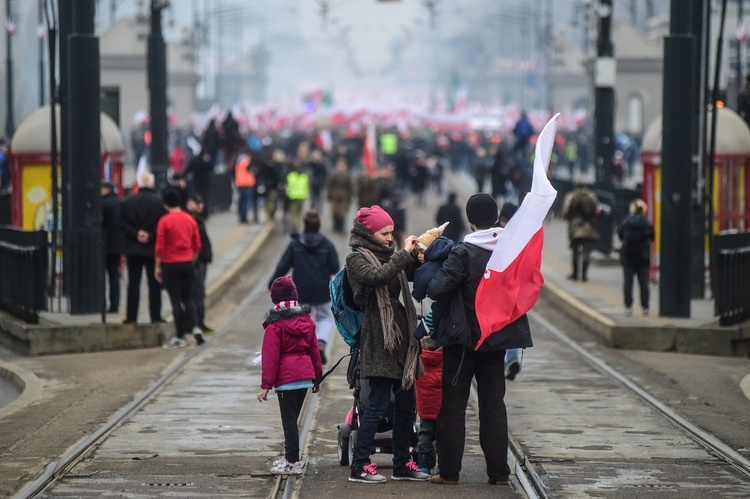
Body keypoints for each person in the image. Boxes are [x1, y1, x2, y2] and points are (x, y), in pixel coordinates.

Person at [426, 193, 533, 486]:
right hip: (496, 339)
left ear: (471, 222)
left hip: (463, 340)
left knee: (453, 406)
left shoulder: (463, 252)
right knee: (494, 405)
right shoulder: (508, 250)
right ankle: (498, 473)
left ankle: (448, 472)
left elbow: (437, 287)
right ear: (497, 218)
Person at [346, 205, 428, 483]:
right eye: (384, 233)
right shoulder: (356, 259)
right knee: (378, 403)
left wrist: (417, 256)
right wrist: (403, 255)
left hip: (400, 338)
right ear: (369, 233)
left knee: (407, 404)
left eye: (391, 233)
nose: (389, 238)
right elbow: (379, 276)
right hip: (378, 339)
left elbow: (402, 274)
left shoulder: (390, 256)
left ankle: (403, 462)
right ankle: (360, 465)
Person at [257, 276, 323, 476]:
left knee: (289, 423)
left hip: (286, 381)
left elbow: (270, 357)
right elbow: (314, 351)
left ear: (274, 298)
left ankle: (292, 462)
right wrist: (317, 378)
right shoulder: (307, 321)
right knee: (293, 421)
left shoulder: (274, 326)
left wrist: (266, 385)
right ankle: (291, 459)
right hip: (303, 378)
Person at [268, 210, 339, 365]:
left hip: (300, 289)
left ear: (304, 225)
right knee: (324, 317)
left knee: (298, 318)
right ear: (318, 225)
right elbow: (335, 267)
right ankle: (320, 342)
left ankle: (302, 347)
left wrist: (272, 282)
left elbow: (283, 265)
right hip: (321, 288)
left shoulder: (295, 244)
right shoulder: (327, 244)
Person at [156, 189, 203, 349]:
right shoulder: (189, 219)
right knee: (188, 298)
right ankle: (196, 326)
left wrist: (157, 267)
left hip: (171, 264)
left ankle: (180, 335)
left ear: (165, 204)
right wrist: (191, 259)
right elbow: (197, 244)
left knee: (176, 301)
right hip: (187, 263)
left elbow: (160, 247)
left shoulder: (165, 221)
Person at [121, 172, 166, 324]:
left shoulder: (128, 202)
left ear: (138, 185)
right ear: (152, 185)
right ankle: (156, 316)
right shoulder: (159, 203)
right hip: (153, 249)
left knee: (133, 282)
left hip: (133, 249)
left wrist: (136, 234)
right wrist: (150, 235)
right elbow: (162, 225)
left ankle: (131, 317)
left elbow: (122, 223)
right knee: (154, 283)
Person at [618, 199, 654, 316]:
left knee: (628, 282)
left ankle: (628, 307)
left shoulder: (626, 222)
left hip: (628, 256)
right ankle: (645, 307)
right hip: (643, 257)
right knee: (644, 283)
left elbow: (620, 235)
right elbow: (652, 237)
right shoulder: (647, 223)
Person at [499, 202, 522, 380]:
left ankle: (506, 363)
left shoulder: (494, 234)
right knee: (511, 325)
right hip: (513, 291)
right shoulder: (520, 235)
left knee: (500, 327)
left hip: (500, 291)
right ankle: (512, 359)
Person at [562, 179, 600, 282]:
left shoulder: (571, 196)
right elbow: (596, 210)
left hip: (575, 227)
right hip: (588, 227)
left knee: (575, 251)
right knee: (586, 252)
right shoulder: (592, 196)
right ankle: (584, 276)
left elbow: (565, 212)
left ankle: (575, 274)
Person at [415, 334, 442, 475]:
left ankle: (424, 465)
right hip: (442, 409)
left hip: (425, 408)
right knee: (443, 437)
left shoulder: (420, 361)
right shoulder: (444, 361)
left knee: (425, 435)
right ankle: (442, 466)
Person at [187, 194, 214, 333]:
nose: (200, 206)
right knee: (196, 293)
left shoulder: (197, 218)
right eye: (196, 203)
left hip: (201, 261)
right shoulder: (191, 220)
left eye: (200, 203)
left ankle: (199, 322)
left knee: (199, 293)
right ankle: (196, 323)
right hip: (196, 263)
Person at [101, 181, 123, 313]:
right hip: (117, 246)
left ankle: (101, 304)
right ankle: (115, 304)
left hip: (103, 245)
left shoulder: (102, 204)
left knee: (101, 276)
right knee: (114, 276)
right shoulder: (120, 203)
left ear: (106, 189)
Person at [325, 158, 353, 234]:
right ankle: (335, 226)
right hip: (335, 197)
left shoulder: (347, 176)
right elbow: (330, 186)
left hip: (344, 197)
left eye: (342, 166)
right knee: (334, 213)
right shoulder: (333, 175)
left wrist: (349, 198)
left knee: (342, 214)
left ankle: (341, 227)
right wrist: (329, 195)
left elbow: (350, 188)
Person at [285, 160, 309, 234]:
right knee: (299, 213)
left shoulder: (290, 176)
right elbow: (307, 187)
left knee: (294, 214)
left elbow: (287, 187)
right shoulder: (304, 177)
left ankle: (296, 228)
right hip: (302, 197)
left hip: (293, 197)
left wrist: (287, 195)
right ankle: (298, 227)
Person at [234, 152, 257, 224]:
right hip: (247, 184)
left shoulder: (238, 163)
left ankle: (241, 216)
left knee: (241, 201)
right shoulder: (247, 162)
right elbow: (252, 170)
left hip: (240, 184)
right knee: (245, 202)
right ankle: (244, 218)